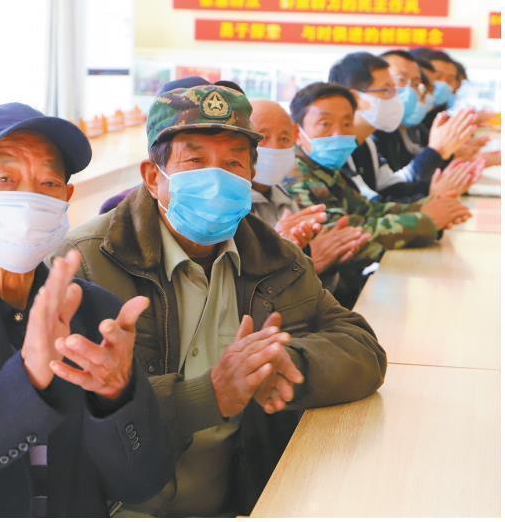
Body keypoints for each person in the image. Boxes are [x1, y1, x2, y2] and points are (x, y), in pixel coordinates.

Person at [50, 83, 387, 516]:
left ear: (250, 176)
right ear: (153, 177)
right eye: (195, 161)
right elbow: (65, 411)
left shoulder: (272, 257)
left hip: (239, 500)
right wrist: (209, 395)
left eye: (233, 163)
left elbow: (363, 350)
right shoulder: (86, 262)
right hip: (121, 506)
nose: (217, 178)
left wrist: (287, 364)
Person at [0, 103, 173, 517]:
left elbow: (143, 482)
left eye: (48, 182)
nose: (28, 198)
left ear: (66, 199)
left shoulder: (95, 312)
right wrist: (25, 379)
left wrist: (116, 398)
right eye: (5, 179)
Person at [284, 82, 472, 270]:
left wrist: (428, 207)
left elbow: (368, 210)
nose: (338, 134)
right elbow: (342, 238)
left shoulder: (323, 167)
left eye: (347, 124)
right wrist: (425, 220)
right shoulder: (294, 173)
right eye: (325, 124)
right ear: (297, 132)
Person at [249, 98, 370, 292]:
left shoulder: (283, 197)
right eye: (262, 138)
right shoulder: (229, 208)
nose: (275, 148)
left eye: (284, 139)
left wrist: (324, 266)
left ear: (295, 137)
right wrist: (304, 266)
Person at [328, 52, 483, 202]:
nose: (397, 96)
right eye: (387, 89)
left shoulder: (367, 144)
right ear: (355, 97)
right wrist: (436, 153)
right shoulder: (335, 148)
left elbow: (391, 187)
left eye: (415, 85)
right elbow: (369, 206)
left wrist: (440, 187)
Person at [373, 50, 478, 180]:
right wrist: (438, 151)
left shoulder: (408, 125)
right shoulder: (376, 133)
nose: (413, 92)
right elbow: (390, 187)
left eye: (416, 84)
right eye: (400, 79)